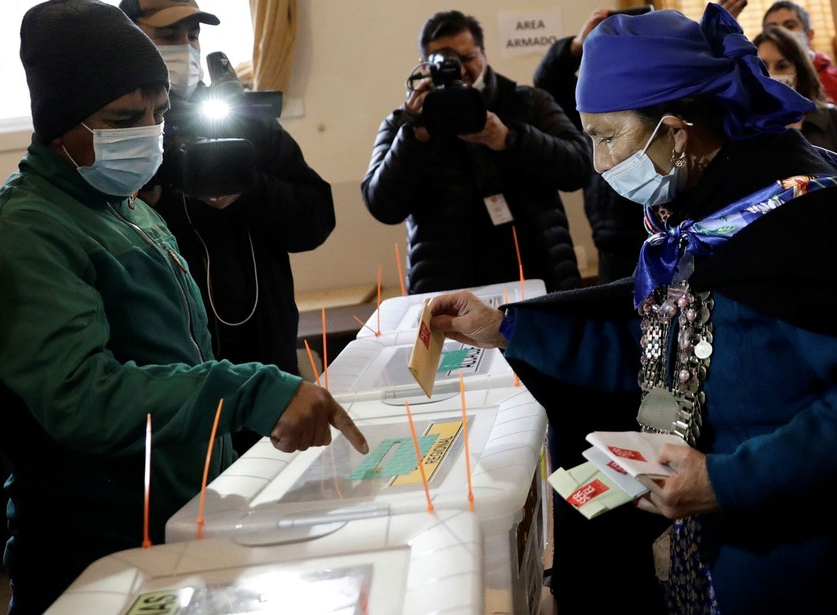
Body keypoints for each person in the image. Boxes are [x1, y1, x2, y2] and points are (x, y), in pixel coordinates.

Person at [430, 5, 837, 615]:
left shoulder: (802, 225)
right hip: (725, 543)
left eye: (605, 136)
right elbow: (655, 343)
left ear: (675, 131)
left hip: (804, 550)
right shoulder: (694, 224)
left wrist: (727, 479)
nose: (597, 163)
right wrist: (506, 326)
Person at [0, 2, 367, 614]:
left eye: (159, 113)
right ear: (58, 122)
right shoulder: (28, 231)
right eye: (122, 118)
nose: (147, 132)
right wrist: (250, 392)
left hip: (177, 518)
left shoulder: (127, 207)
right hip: (95, 550)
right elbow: (82, 396)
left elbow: (180, 351)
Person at [117, 0, 337, 454]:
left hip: (267, 352)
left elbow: (317, 219)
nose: (185, 47)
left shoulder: (244, 121)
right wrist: (157, 199)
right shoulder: (121, 135)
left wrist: (248, 192)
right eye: (168, 35)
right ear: (127, 36)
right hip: (176, 373)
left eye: (192, 35)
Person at [361, 10, 591, 294]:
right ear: (425, 65)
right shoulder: (404, 124)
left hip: (539, 273)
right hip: (449, 287)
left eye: (467, 57)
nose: (460, 70)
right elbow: (381, 205)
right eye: (447, 61)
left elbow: (580, 165)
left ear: (484, 53)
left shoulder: (528, 102)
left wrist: (510, 139)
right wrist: (416, 135)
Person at [533, 8, 648, 283]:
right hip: (611, 239)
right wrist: (575, 47)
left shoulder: (659, 93)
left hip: (658, 229)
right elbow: (548, 84)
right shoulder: (594, 98)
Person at [755, 25, 837, 150]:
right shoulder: (744, 128)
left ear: (799, 71)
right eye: (762, 67)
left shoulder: (831, 118)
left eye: (781, 66)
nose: (770, 74)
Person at [762, 0, 837, 102]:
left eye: (790, 26)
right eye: (773, 28)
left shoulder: (833, 81)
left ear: (809, 35)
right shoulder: (759, 79)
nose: (781, 33)